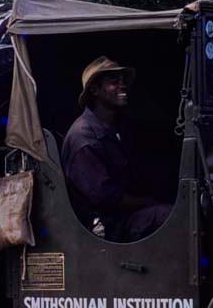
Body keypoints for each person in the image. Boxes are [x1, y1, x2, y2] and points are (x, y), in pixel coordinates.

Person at [61, 56, 172, 242]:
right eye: (114, 81)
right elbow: (107, 198)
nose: (122, 85)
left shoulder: (118, 127)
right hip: (107, 227)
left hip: (123, 216)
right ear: (95, 90)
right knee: (170, 217)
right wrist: (148, 202)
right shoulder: (83, 137)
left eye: (123, 81)